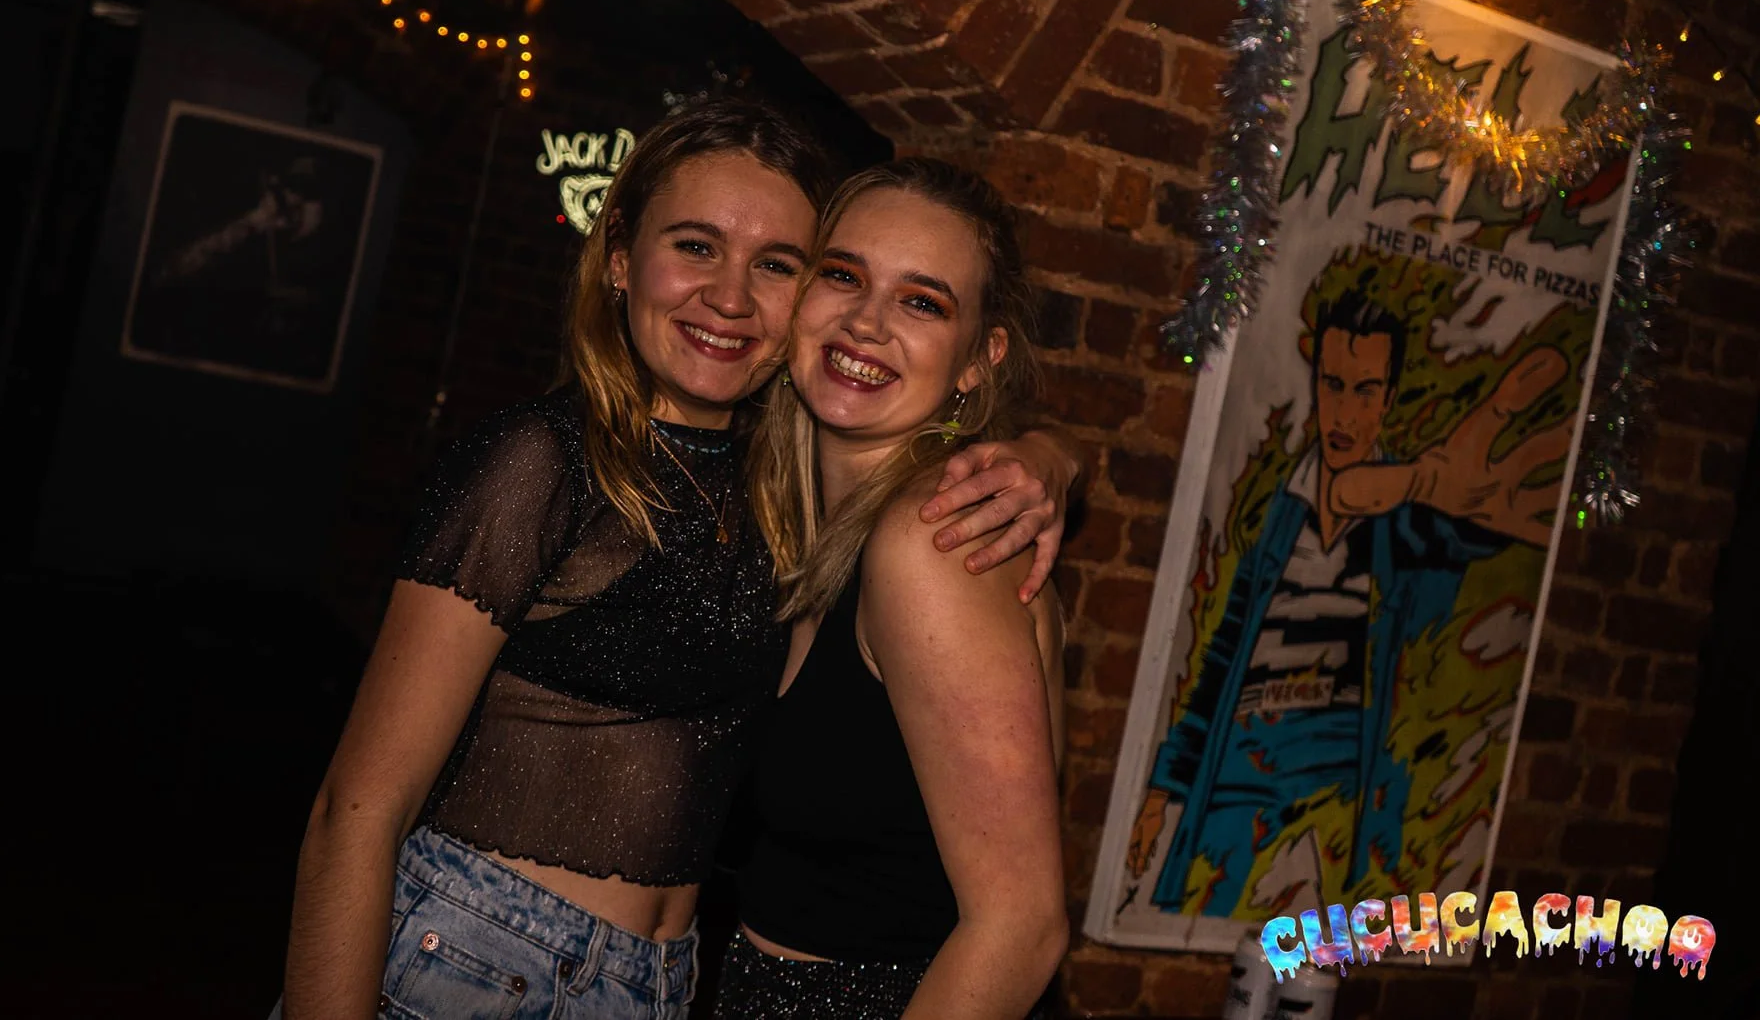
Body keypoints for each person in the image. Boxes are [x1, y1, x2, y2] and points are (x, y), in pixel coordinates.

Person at [280, 97, 1080, 1020]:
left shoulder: (842, 513)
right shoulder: (556, 461)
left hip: (660, 985)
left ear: (980, 356)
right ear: (619, 256)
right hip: (475, 956)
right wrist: (1052, 458)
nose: (731, 297)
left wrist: (1051, 456)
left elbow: (1018, 914)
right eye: (696, 245)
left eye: (775, 263)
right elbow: (354, 808)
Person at [718, 159, 1067, 1020]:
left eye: (922, 302)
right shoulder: (796, 522)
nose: (867, 322)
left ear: (978, 359)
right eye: (843, 275)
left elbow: (1021, 928)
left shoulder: (931, 540)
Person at [1125, 288, 1571, 917]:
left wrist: (1460, 502)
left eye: (1365, 391)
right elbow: (1222, 659)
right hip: (1240, 771)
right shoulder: (1280, 511)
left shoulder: (1408, 519)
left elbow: (1459, 534)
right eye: (1334, 385)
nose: (1345, 411)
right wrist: (1162, 789)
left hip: (1338, 782)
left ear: (1387, 399)